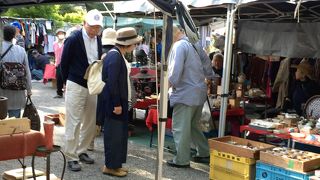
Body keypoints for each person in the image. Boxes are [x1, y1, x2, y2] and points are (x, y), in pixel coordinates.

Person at [60, 9, 103, 172]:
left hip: (92, 84)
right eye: (92, 26)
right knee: (74, 121)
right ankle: (71, 156)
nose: (94, 30)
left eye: (97, 27)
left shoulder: (98, 39)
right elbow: (63, 63)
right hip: (76, 83)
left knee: (90, 121)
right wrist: (65, 82)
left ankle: (82, 150)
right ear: (84, 23)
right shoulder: (73, 39)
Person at [167, 25, 214, 168]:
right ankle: (204, 152)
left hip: (185, 93)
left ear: (172, 35)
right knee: (194, 125)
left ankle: (181, 159)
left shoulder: (179, 46)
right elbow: (208, 67)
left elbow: (175, 73)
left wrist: (167, 88)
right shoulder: (195, 44)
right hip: (198, 92)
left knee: (180, 127)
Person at [101, 27, 142, 177]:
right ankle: (110, 166)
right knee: (114, 135)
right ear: (128, 44)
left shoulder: (116, 55)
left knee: (118, 135)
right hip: (114, 103)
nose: (135, 46)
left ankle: (115, 165)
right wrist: (117, 104)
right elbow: (112, 82)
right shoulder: (115, 56)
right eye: (134, 44)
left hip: (117, 102)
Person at [0, 25, 32, 118]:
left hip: (1, 91)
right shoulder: (21, 50)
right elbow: (27, 71)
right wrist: (29, 89)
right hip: (17, 91)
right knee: (14, 124)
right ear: (14, 36)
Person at [53, 28, 66, 98]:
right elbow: (55, 54)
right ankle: (59, 93)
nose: (61, 35)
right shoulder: (54, 44)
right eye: (59, 33)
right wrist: (55, 62)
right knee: (59, 78)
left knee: (66, 78)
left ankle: (67, 92)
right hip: (58, 63)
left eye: (62, 33)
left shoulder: (66, 43)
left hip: (66, 63)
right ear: (57, 35)